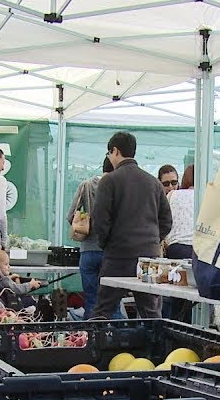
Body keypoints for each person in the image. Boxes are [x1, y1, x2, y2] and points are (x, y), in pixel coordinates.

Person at [91, 132, 172, 319]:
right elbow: (167, 220)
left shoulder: (109, 181)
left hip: (118, 255)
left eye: (109, 153)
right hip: (149, 257)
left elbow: (100, 220)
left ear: (115, 151)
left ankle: (97, 347)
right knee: (151, 312)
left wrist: (107, 244)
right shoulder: (154, 183)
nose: (109, 158)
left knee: (103, 310)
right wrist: (152, 240)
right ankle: (155, 347)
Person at [66, 156, 115, 318]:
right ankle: (113, 339)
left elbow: (70, 216)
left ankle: (89, 337)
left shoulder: (86, 185)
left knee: (91, 300)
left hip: (88, 251)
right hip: (110, 253)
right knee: (111, 302)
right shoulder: (117, 188)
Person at [163, 164, 196, 322]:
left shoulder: (173, 196)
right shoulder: (207, 196)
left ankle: (176, 330)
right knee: (194, 295)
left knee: (176, 294)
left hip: (175, 249)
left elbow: (165, 224)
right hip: (198, 251)